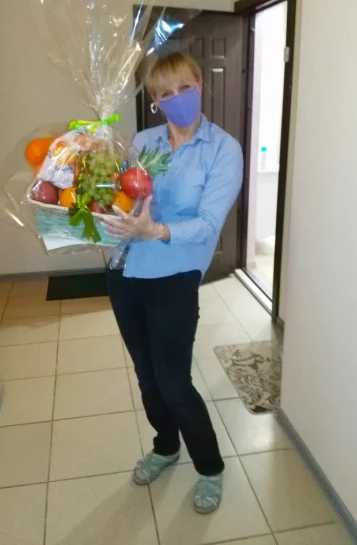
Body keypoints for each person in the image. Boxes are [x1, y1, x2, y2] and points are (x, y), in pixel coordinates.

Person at [102, 51, 243, 514]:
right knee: (146, 376)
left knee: (174, 382)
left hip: (174, 277)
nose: (176, 98)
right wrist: (103, 213)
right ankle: (165, 446)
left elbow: (208, 225)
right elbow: (126, 199)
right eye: (165, 93)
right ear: (155, 101)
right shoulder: (144, 142)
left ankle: (210, 467)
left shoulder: (223, 150)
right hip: (126, 272)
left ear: (200, 84)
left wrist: (155, 230)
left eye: (184, 87)